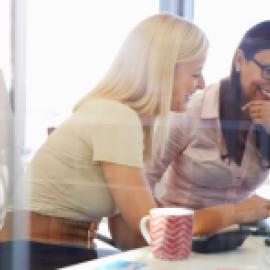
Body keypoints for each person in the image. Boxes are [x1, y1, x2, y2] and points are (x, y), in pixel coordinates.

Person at [0, 13, 209, 267]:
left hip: (60, 253)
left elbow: (127, 235)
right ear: (164, 71)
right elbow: (150, 226)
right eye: (196, 73)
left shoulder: (128, 121)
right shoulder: (116, 117)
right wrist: (231, 214)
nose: (201, 84)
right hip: (38, 256)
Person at [146, 20, 270, 236]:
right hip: (181, 239)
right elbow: (140, 184)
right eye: (269, 71)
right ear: (240, 60)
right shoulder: (190, 110)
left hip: (239, 243)